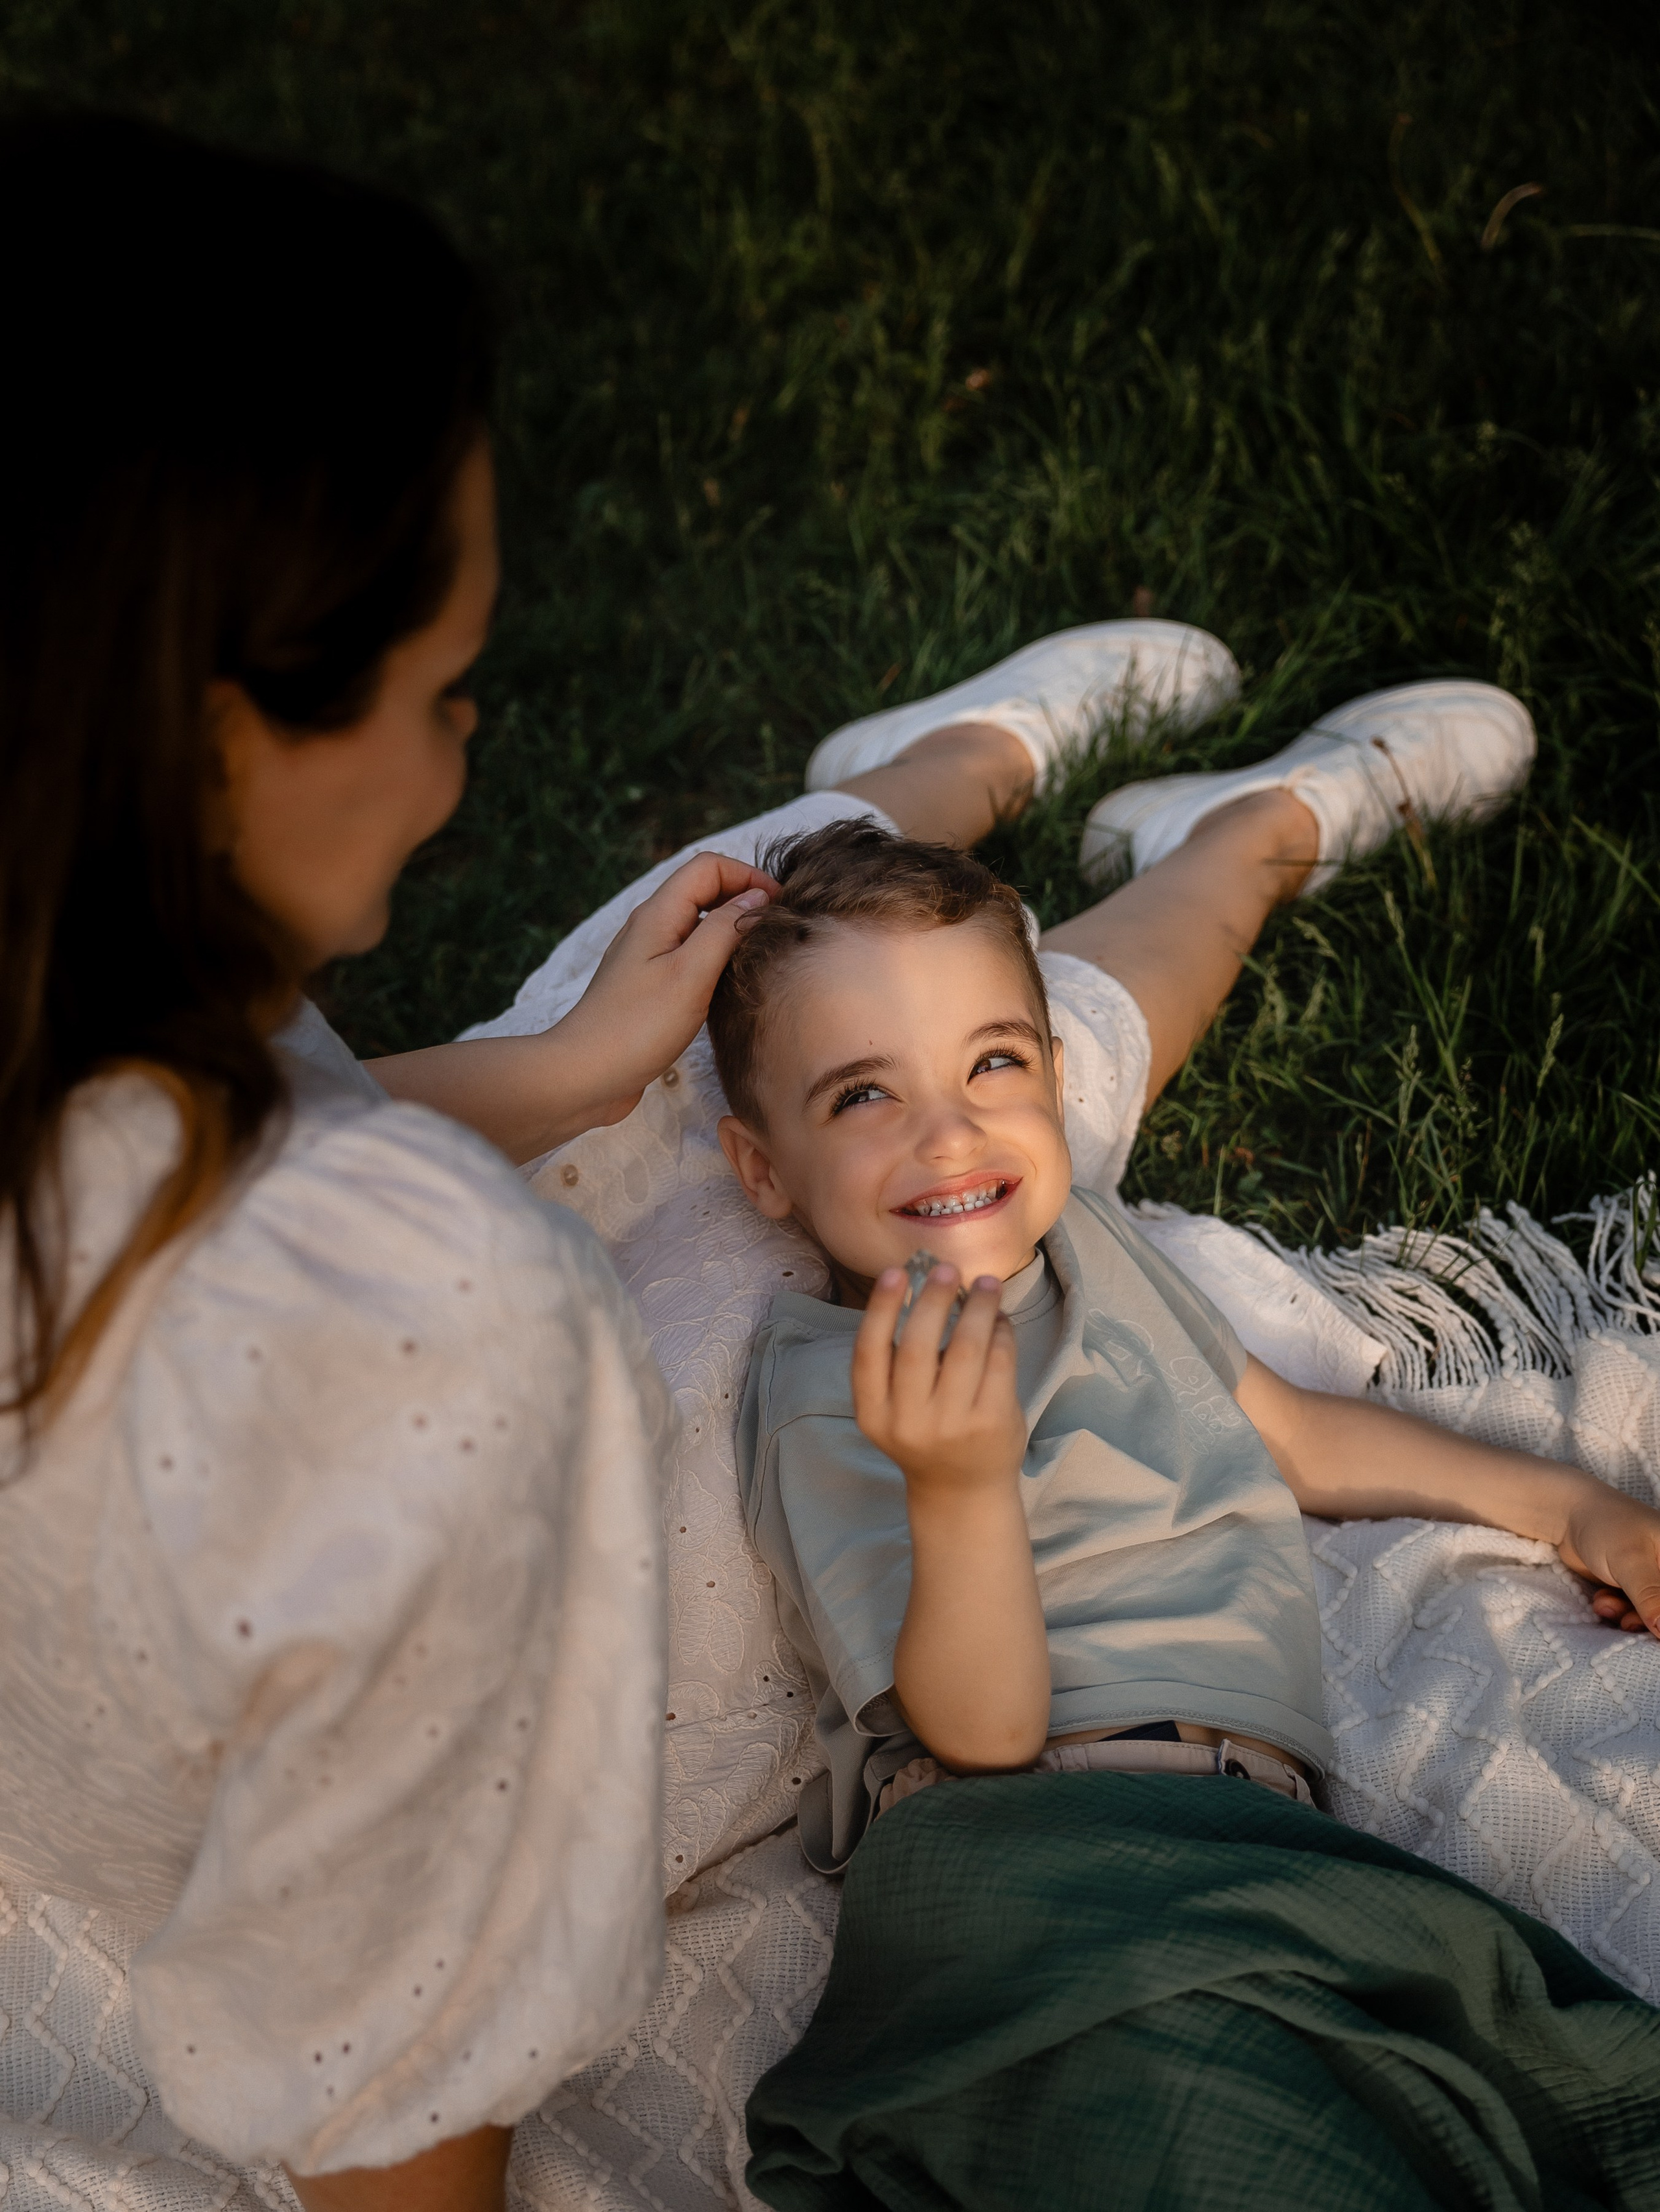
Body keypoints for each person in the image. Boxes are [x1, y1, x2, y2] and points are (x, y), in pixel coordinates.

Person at [0, 115, 786, 2212]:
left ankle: (963, 783)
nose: (461, 763)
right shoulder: (421, 1334)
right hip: (229, 1883)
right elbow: (398, 2105)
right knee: (878, 1119)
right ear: (205, 738)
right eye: (447, 694)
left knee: (763, 991)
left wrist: (554, 1066)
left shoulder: (66, 974)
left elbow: (167, 1158)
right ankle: (1232, 844)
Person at [704, 820, 1660, 2204]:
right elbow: (976, 1736)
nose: (950, 1129)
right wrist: (958, 1485)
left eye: (992, 1061)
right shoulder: (832, 1388)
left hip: (1242, 1849)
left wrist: (1574, 1507)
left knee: (1509, 2091)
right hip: (1036, 1857)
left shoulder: (1088, 1243)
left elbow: (1285, 1429)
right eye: (862, 1094)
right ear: (762, 1169)